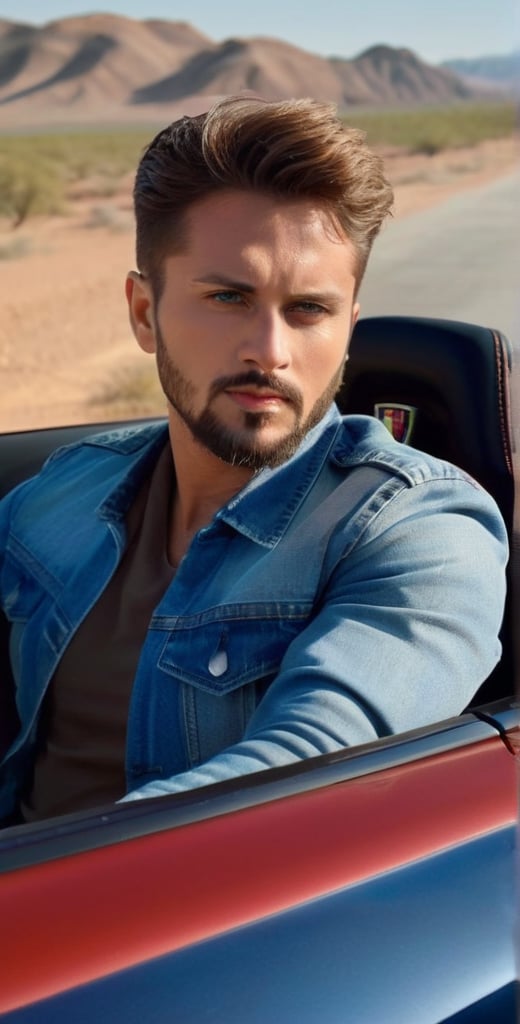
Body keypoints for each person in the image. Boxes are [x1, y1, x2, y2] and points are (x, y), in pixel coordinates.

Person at [0, 96, 508, 825]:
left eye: (308, 309)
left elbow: (300, 778)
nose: (269, 351)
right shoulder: (65, 491)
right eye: (229, 297)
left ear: (347, 326)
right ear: (145, 314)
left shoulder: (419, 529)